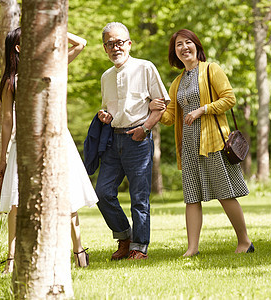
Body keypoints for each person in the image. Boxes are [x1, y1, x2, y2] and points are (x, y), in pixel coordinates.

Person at [0, 28, 98, 273]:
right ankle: (12, 259)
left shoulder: (50, 67)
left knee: (68, 196)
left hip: (57, 140)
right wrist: (2, 159)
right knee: (16, 202)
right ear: (19, 48)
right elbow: (6, 122)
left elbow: (81, 43)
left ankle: (79, 251)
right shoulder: (12, 81)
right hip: (24, 142)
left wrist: (53, 26)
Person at [150, 29, 254, 256]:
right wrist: (156, 109)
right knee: (191, 197)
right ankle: (192, 248)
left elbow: (229, 99)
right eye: (179, 44)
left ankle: (244, 242)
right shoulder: (177, 82)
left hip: (213, 143)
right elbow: (170, 118)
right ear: (174, 52)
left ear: (197, 46)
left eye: (188, 42)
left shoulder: (211, 70)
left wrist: (202, 110)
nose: (184, 47)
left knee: (225, 194)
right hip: (187, 147)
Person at [95, 22, 170, 260]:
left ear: (128, 44)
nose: (115, 47)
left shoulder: (145, 67)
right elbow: (109, 110)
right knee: (102, 192)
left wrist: (145, 129)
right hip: (113, 141)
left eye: (119, 42)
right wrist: (103, 115)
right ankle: (124, 238)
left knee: (139, 197)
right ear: (105, 48)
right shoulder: (105, 77)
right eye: (110, 44)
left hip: (138, 140)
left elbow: (161, 104)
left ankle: (139, 247)